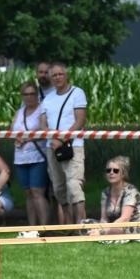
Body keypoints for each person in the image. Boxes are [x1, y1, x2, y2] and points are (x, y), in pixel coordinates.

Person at [42, 63, 89, 225]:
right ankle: (69, 224)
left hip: (72, 145)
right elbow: (43, 123)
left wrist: (62, 139)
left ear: (66, 74)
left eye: (60, 74)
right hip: (52, 148)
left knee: (74, 185)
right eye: (54, 75)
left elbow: (80, 120)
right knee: (59, 188)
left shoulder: (77, 93)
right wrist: (52, 139)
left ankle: (82, 224)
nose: (57, 78)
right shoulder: (48, 99)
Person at [10, 80, 51, 228]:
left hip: (37, 156)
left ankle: (44, 227)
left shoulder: (42, 110)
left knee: (37, 191)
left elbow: (44, 131)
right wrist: (17, 139)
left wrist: (28, 137)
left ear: (37, 95)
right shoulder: (19, 112)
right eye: (25, 94)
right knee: (28, 193)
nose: (29, 97)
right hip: (20, 157)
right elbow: (12, 131)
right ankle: (32, 226)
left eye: (32, 93)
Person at [94, 155, 140, 239]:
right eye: (108, 170)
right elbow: (104, 218)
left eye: (115, 171)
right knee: (86, 223)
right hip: (114, 226)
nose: (111, 173)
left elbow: (125, 218)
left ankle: (100, 235)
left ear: (123, 174)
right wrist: (101, 227)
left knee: (119, 229)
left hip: (132, 226)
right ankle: (98, 234)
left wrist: (102, 231)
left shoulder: (131, 191)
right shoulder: (105, 193)